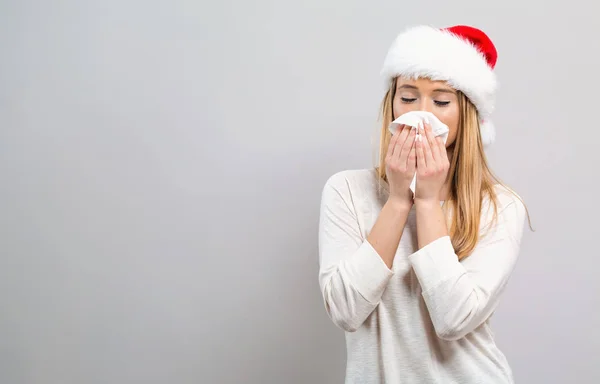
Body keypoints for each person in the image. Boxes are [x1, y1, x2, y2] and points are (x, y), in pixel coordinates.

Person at [317, 25, 531, 384]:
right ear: (392, 103)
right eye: (408, 97)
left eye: (442, 101)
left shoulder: (501, 206)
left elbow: (453, 319)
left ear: (468, 115)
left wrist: (428, 202)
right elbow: (345, 310)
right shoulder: (347, 191)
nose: (422, 114)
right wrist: (400, 200)